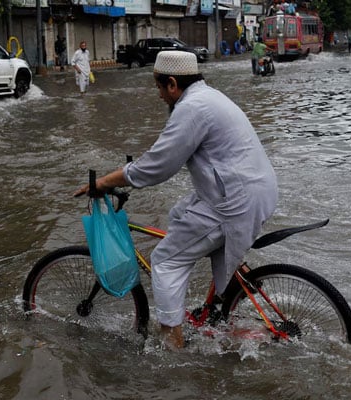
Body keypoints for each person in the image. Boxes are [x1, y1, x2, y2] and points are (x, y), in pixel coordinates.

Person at [73, 51, 278, 349]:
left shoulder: (192, 108)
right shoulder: (208, 97)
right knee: (179, 214)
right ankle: (220, 305)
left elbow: (157, 165)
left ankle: (172, 343)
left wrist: (104, 182)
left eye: (158, 87)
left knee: (165, 260)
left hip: (234, 201)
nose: (158, 95)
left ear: (172, 84)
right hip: (249, 189)